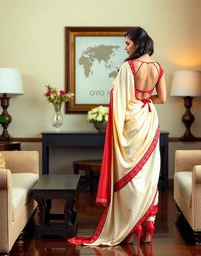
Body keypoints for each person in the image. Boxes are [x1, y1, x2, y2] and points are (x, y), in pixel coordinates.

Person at [68, 27, 167, 247]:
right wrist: (145, 100)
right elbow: (162, 98)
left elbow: (121, 101)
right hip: (149, 121)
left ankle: (130, 225)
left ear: (138, 44)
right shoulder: (158, 67)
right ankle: (148, 223)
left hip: (131, 124)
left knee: (129, 174)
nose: (125, 47)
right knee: (147, 173)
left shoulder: (128, 67)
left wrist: (118, 132)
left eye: (128, 43)